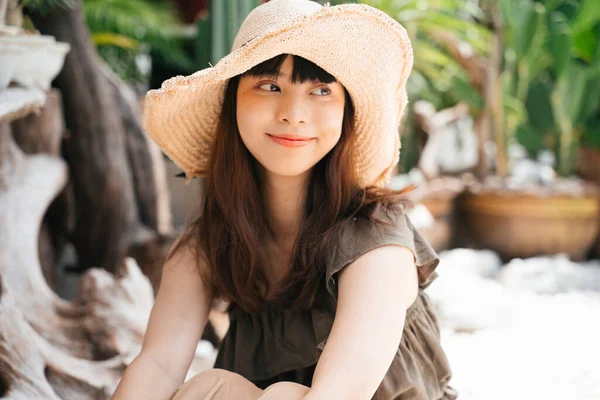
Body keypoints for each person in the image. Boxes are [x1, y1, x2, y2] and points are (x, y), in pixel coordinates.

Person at [112, 0, 456, 399]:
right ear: (233, 99)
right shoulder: (208, 244)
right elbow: (157, 363)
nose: (294, 113)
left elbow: (338, 394)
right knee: (211, 389)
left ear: (346, 112)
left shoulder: (376, 242)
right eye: (270, 86)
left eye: (321, 90)